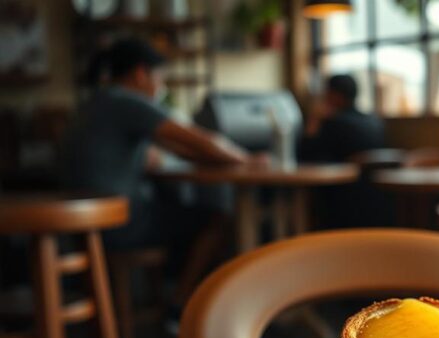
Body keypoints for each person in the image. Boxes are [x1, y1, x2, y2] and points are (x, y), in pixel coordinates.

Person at [61, 38, 260, 315]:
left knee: (177, 206)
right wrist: (249, 160)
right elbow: (200, 141)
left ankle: (173, 300)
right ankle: (180, 305)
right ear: (141, 74)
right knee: (218, 218)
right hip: (118, 223)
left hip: (83, 222)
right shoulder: (129, 102)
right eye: (160, 79)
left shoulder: (94, 102)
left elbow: (179, 148)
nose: (161, 88)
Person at [298, 74, 386, 163]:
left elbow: (306, 157)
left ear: (336, 95)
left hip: (348, 176)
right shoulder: (375, 121)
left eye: (327, 92)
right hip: (376, 176)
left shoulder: (334, 123)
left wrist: (313, 120)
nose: (324, 97)